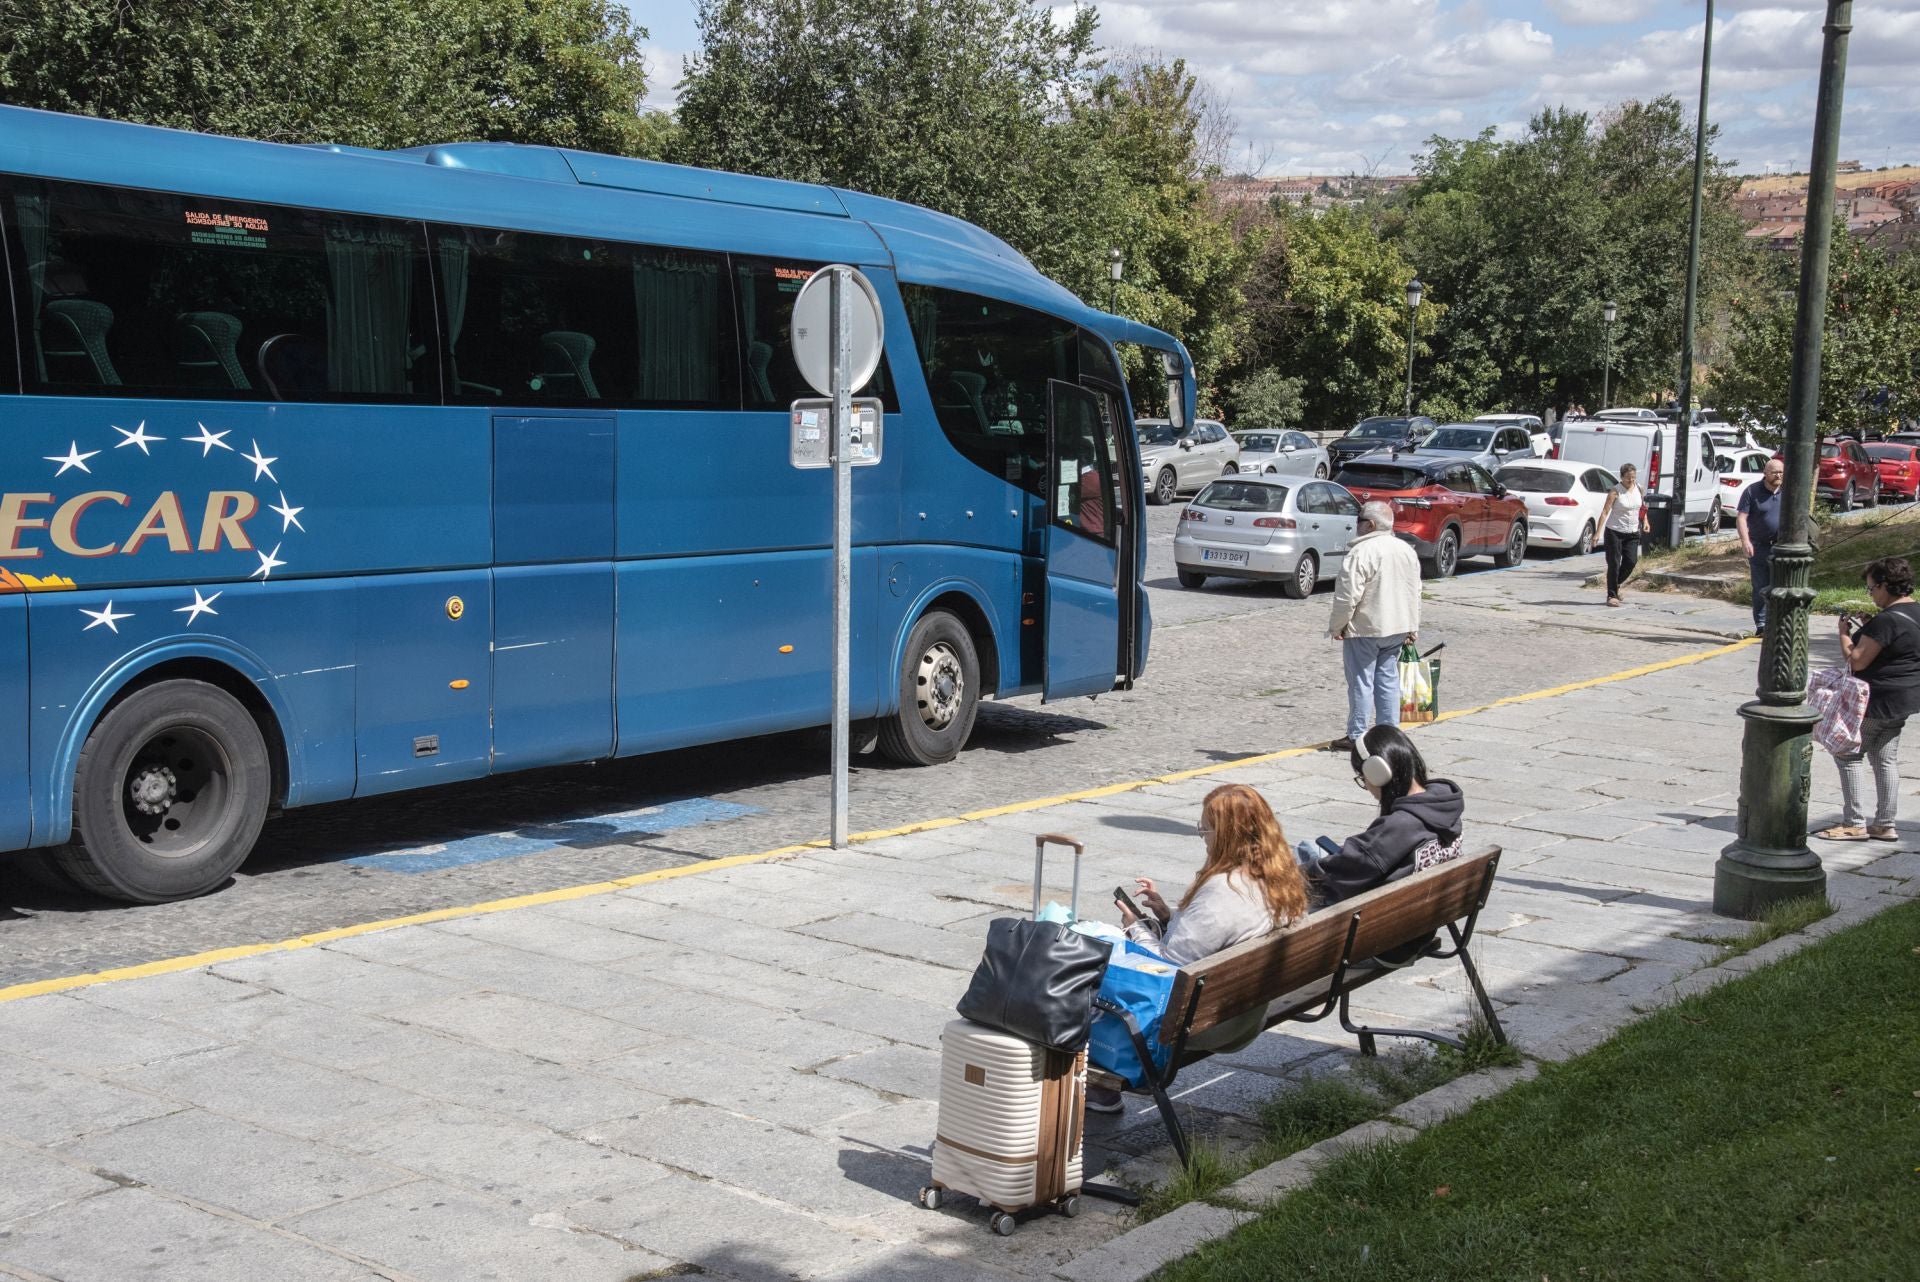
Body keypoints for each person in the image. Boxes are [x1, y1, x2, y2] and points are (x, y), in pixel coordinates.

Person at [1086, 783, 1310, 1113]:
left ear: (1227, 835)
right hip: (1248, 1010)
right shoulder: (1277, 877)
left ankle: (1102, 1084)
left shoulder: (1224, 889)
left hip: (1212, 1024)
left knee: (1083, 961)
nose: (1203, 837)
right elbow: (1218, 931)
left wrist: (1135, 927)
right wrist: (1167, 915)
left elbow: (1165, 967)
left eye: (1206, 829)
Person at [1295, 725, 1465, 907]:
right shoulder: (1445, 805)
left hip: (1380, 923)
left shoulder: (1401, 825)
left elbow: (1343, 872)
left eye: (1363, 777)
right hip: (1422, 915)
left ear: (1378, 773)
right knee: (1310, 848)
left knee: (1301, 851)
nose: (1367, 786)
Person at [1819, 557, 1920, 841]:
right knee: (1884, 758)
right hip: (1905, 699)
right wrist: (1870, 627)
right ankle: (1885, 823)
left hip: (1876, 700)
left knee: (1847, 753)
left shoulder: (1886, 621)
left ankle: (1854, 823)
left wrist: (1843, 634)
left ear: (1886, 586)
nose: (1871, 594)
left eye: (1872, 588)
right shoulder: (1915, 612)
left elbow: (1858, 661)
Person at [1327, 500, 1421, 753]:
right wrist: (1413, 626)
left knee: (1361, 682)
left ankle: (1357, 734)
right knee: (1387, 680)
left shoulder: (1362, 551)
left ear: (1369, 524)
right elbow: (1415, 590)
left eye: (1359, 521)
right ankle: (1391, 734)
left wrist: (1337, 626)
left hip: (1367, 627)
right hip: (1398, 626)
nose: (1356, 526)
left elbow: (1348, 596)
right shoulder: (1405, 550)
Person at [1736, 457, 1786, 635]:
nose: (1778, 475)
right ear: (1765, 473)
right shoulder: (1752, 491)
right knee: (1761, 587)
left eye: (1780, 472)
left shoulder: (1787, 491)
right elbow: (1742, 517)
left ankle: (1780, 623)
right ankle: (1762, 625)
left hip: (1782, 547)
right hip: (1759, 546)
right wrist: (1745, 541)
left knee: (1782, 587)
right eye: (1774, 472)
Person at [1594, 462, 1649, 607]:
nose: (1631, 480)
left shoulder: (1639, 488)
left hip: (1632, 532)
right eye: (1628, 478)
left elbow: (1641, 508)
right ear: (1621, 477)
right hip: (1614, 532)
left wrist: (1645, 521)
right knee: (1614, 564)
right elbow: (1605, 512)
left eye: (1633, 477)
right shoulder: (1615, 491)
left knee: (1631, 561)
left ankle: (1615, 584)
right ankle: (1612, 595)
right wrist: (1597, 532)